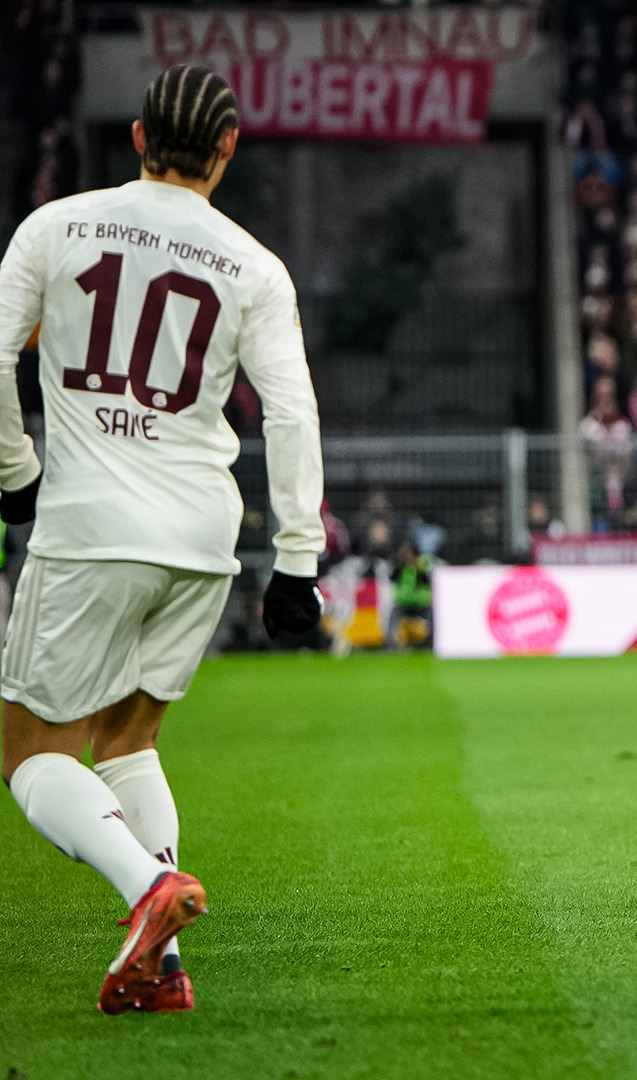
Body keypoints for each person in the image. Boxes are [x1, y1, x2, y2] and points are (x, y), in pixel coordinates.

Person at [0, 66, 324, 1013]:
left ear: (139, 136)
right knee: (127, 737)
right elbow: (292, 412)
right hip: (200, 534)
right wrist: (297, 556)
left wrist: (14, 472)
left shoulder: (53, 229)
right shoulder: (253, 265)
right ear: (227, 149)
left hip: (91, 523)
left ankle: (148, 887)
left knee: (26, 751)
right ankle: (162, 969)